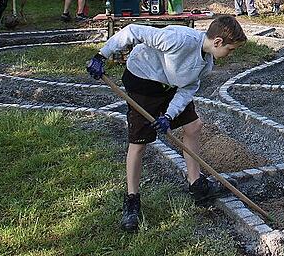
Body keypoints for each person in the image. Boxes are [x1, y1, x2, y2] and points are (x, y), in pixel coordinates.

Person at [86, 16, 247, 233]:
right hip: (144, 81)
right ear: (218, 42)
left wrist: (169, 116)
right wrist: (101, 55)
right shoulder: (178, 39)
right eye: (231, 49)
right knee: (139, 143)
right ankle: (132, 201)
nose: (230, 54)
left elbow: (187, 90)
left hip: (171, 85)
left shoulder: (206, 63)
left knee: (193, 126)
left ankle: (196, 185)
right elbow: (133, 30)